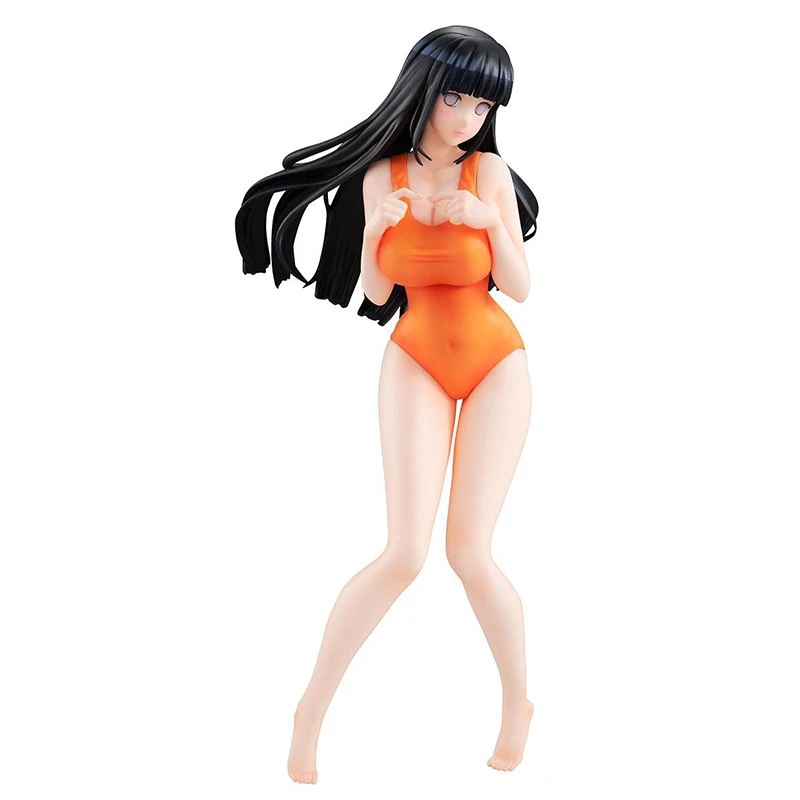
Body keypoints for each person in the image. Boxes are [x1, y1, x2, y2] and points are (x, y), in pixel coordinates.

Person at [235, 24, 539, 784]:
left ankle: (518, 703)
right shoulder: (385, 173)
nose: (468, 117)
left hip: (496, 363)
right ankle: (310, 709)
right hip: (414, 358)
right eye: (456, 98)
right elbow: (377, 293)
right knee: (403, 553)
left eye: (483, 105)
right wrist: (373, 229)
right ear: (423, 90)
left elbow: (522, 287)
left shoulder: (489, 172)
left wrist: (492, 223)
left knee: (469, 553)